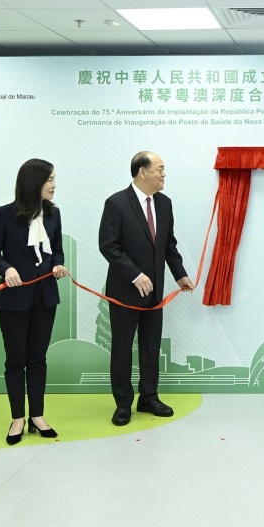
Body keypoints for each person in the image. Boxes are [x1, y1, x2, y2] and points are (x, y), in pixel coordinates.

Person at [99, 151, 194, 427]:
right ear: (142, 172)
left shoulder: (164, 203)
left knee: (151, 346)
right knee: (122, 348)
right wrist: (135, 275)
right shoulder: (116, 203)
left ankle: (149, 397)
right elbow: (108, 246)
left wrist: (180, 274)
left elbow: (168, 244)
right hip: (125, 291)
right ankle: (123, 404)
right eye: (159, 169)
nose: (164, 174)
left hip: (155, 292)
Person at [0, 159, 69, 445]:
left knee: (37, 359)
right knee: (15, 360)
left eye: (54, 179)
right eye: (49, 180)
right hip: (14, 300)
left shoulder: (54, 214)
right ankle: (17, 418)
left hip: (46, 297)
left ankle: (37, 416)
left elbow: (57, 250)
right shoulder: (3, 215)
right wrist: (6, 269)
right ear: (34, 183)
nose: (54, 185)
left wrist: (58, 265)